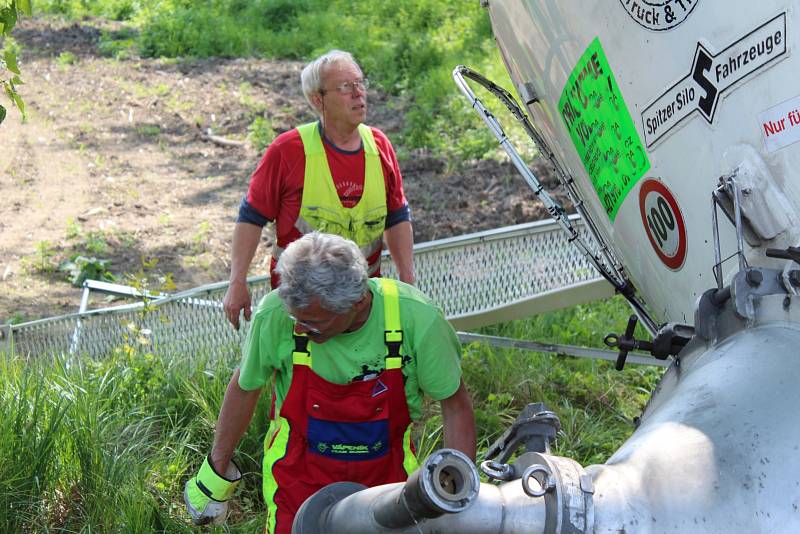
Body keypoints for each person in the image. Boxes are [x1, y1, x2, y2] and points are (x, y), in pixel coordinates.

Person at [185, 232, 476, 532]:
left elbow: (455, 406)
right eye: (295, 317)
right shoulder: (275, 315)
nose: (298, 327)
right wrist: (216, 472)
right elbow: (245, 388)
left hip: (386, 483)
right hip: (297, 478)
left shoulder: (416, 320)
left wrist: (459, 496)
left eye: (312, 323)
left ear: (359, 302)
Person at [223, 49, 415, 329]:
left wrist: (407, 281)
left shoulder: (379, 146)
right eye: (345, 87)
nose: (358, 93)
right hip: (301, 312)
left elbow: (396, 217)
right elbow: (251, 218)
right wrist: (237, 282)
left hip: (362, 308)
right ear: (318, 99)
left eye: (360, 83)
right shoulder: (288, 150)